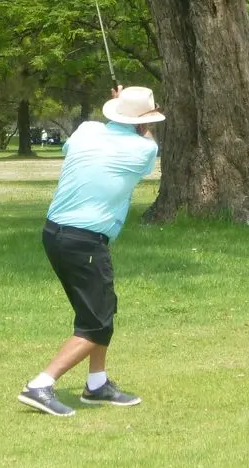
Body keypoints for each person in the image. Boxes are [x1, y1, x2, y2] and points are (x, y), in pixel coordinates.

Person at [17, 85, 164, 417]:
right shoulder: (143, 150)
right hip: (84, 241)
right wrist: (133, 113)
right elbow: (148, 143)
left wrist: (119, 104)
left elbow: (71, 149)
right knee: (97, 323)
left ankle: (97, 385)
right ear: (145, 122)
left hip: (54, 233)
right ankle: (41, 384)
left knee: (99, 311)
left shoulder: (86, 130)